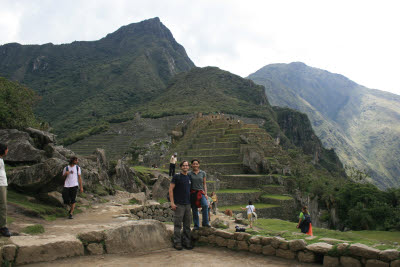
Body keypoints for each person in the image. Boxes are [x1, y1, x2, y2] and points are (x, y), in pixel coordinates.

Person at [169, 161, 193, 250]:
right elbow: (170, 189)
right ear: (181, 167)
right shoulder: (176, 176)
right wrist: (172, 203)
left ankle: (187, 242)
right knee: (178, 224)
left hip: (187, 204)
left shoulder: (189, 177)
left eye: (187, 165)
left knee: (187, 225)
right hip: (179, 204)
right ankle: (177, 242)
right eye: (184, 165)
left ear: (188, 167)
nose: (185, 167)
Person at [189, 159, 210, 229]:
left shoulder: (203, 173)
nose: (195, 165)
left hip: (201, 192)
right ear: (191, 165)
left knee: (205, 205)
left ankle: (205, 223)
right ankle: (196, 225)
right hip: (192, 192)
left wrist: (206, 194)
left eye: (196, 164)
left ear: (199, 165)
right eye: (194, 164)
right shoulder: (189, 174)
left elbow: (204, 184)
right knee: (194, 209)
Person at [0, 143, 11, 237]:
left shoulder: (1, 160)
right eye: (7, 149)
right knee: (3, 206)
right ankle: (3, 227)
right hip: (0, 185)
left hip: (2, 184)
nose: (7, 150)